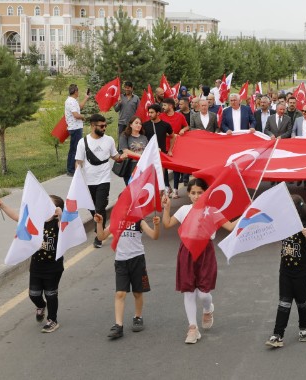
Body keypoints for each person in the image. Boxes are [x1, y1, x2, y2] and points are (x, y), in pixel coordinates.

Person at [161, 178, 236, 344]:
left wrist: (247, 215)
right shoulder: (184, 210)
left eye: (200, 193)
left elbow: (230, 227)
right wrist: (166, 208)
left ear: (206, 193)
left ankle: (208, 308)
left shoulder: (212, 211)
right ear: (188, 194)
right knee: (188, 290)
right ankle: (193, 328)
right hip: (186, 252)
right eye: (193, 193)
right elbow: (166, 224)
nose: (196, 196)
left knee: (203, 294)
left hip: (205, 253)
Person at [0, 196, 64, 333]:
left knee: (51, 293)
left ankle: (52, 320)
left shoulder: (57, 224)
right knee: (34, 294)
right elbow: (17, 217)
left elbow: (66, 226)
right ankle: (41, 305)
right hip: (36, 266)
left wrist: (61, 215)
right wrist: (3, 206)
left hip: (53, 267)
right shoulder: (35, 221)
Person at [94, 212, 160, 339]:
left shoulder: (139, 221)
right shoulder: (115, 222)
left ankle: (138, 317)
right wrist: (99, 223)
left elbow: (154, 236)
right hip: (121, 261)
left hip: (137, 260)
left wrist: (157, 225)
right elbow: (101, 236)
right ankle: (118, 325)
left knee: (138, 292)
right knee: (120, 293)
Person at [266, 194, 306, 348]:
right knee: (284, 302)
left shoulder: (304, 223)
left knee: (302, 302)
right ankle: (277, 335)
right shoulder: (283, 223)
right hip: (286, 270)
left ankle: (304, 328)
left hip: (303, 271)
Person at [75, 114, 127, 248]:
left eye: (105, 126)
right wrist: (77, 178)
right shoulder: (83, 142)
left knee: (99, 208)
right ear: (93, 126)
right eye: (101, 126)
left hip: (104, 179)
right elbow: (78, 162)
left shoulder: (109, 140)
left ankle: (99, 236)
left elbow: (115, 156)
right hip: (89, 181)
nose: (104, 128)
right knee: (92, 208)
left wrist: (123, 157)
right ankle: (99, 224)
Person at [142, 104, 175, 193]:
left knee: (161, 176)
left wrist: (170, 150)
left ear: (158, 113)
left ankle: (162, 193)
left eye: (152, 112)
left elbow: (173, 136)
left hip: (161, 155)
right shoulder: (145, 125)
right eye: (149, 112)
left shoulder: (165, 125)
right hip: (149, 156)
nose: (150, 114)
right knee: (150, 177)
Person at [160, 98, 189, 198]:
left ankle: (176, 189)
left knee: (176, 167)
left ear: (171, 106)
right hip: (164, 144)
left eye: (164, 105)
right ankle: (167, 187)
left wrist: (183, 130)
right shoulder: (161, 116)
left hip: (176, 145)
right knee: (164, 167)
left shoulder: (179, 116)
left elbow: (186, 126)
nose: (163, 107)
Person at [64, 84, 89, 176]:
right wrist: (84, 117)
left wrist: (86, 98)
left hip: (75, 127)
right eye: (77, 91)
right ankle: (71, 170)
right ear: (75, 91)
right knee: (75, 149)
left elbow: (80, 107)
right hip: (75, 128)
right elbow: (76, 115)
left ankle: (72, 168)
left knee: (74, 148)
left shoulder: (73, 101)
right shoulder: (71, 101)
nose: (78, 93)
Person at [119, 116, 148, 185]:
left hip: (143, 166)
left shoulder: (144, 137)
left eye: (140, 124)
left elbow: (147, 150)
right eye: (136, 123)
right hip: (130, 166)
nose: (139, 125)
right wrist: (138, 155)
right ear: (131, 125)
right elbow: (125, 150)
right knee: (131, 190)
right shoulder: (125, 136)